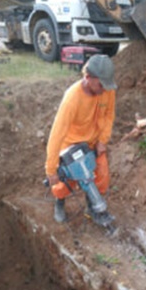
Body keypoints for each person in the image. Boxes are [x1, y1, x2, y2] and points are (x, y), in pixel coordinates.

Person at [45, 54, 116, 224]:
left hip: (93, 142)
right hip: (71, 144)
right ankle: (59, 202)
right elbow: (57, 134)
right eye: (100, 84)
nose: (104, 89)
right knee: (65, 183)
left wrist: (102, 141)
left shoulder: (107, 90)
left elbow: (108, 115)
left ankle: (93, 208)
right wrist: (51, 169)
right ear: (88, 77)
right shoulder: (72, 99)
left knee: (101, 175)